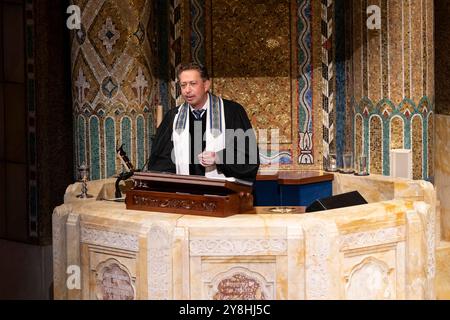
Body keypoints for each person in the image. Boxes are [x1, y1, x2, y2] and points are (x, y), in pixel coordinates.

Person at [148, 62, 259, 182]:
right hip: (186, 193)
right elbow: (161, 162)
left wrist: (219, 157)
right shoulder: (173, 117)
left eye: (193, 84)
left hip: (222, 194)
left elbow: (249, 158)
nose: (187, 90)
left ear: (206, 85)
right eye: (183, 85)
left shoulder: (231, 112)